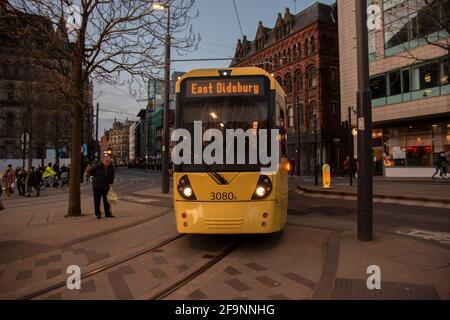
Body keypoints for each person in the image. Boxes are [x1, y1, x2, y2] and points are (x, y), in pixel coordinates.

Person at [86, 155, 115, 219]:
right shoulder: (98, 166)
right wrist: (94, 177)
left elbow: (112, 175)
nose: (108, 162)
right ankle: (98, 214)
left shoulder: (111, 167)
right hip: (97, 186)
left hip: (106, 186)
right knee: (97, 201)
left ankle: (107, 213)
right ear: (103, 160)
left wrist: (111, 183)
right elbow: (90, 171)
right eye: (106, 161)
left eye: (109, 161)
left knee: (107, 201)